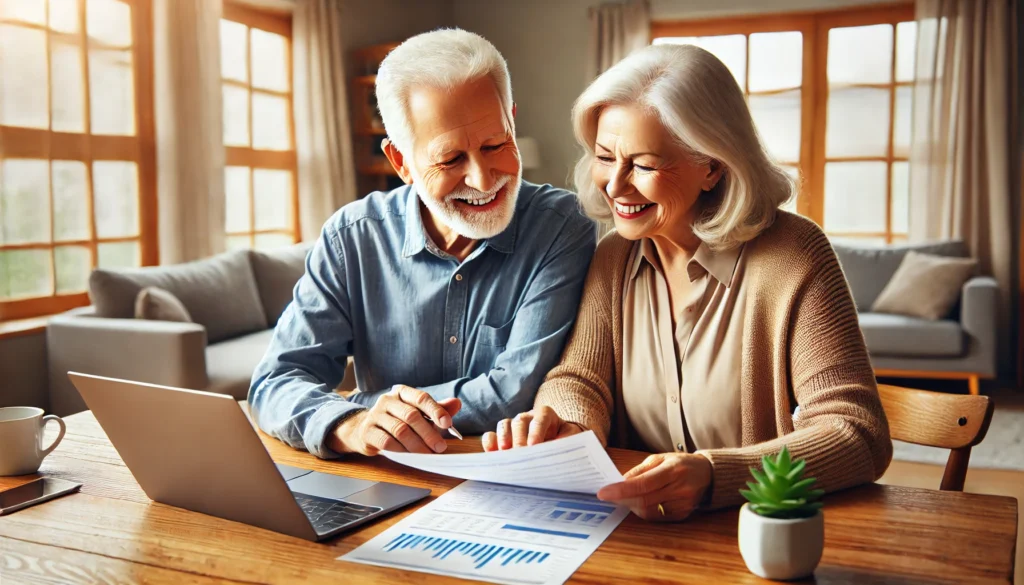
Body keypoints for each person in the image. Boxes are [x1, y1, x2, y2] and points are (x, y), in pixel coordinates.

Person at [482, 44, 892, 521]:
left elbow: (857, 431)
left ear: (712, 165)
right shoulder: (614, 255)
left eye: (644, 164)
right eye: (604, 156)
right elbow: (580, 378)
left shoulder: (793, 255)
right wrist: (569, 422)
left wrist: (715, 475)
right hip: (635, 538)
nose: (614, 185)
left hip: (755, 536)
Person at [249, 29, 596, 460]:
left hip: (507, 477)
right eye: (450, 159)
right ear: (401, 162)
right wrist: (351, 425)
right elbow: (275, 382)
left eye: (496, 144)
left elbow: (512, 395)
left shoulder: (563, 226)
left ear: (511, 119)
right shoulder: (352, 237)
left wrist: (366, 406)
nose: (484, 180)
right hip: (384, 478)